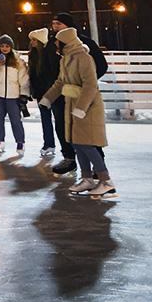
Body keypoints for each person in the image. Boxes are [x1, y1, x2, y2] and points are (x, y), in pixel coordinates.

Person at [40, 28, 116, 197]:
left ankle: (105, 181)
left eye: (57, 42)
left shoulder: (84, 58)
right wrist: (47, 98)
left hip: (88, 106)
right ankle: (87, 178)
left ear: (65, 42)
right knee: (76, 142)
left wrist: (81, 108)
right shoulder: (65, 59)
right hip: (72, 104)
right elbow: (60, 82)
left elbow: (90, 85)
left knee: (86, 144)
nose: (55, 45)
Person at [48, 12, 108, 176]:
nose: (55, 27)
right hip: (61, 95)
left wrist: (85, 84)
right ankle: (69, 158)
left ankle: (98, 164)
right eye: (53, 23)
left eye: (58, 24)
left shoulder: (85, 43)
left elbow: (101, 66)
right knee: (62, 127)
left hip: (81, 96)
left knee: (87, 130)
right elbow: (49, 70)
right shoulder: (54, 45)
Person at [0, 35, 30, 157]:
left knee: (16, 121)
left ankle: (20, 142)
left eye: (7, 46)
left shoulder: (18, 62)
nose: (4, 48)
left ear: (11, 47)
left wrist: (24, 95)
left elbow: (24, 80)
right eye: (2, 46)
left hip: (13, 96)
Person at [26, 28, 59, 159]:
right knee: (45, 120)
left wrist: (50, 91)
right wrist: (33, 91)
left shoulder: (49, 54)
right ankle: (49, 144)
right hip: (40, 92)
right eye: (31, 40)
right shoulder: (33, 55)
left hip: (53, 92)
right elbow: (33, 76)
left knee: (59, 120)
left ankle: (67, 147)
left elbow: (53, 74)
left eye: (35, 39)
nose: (32, 42)